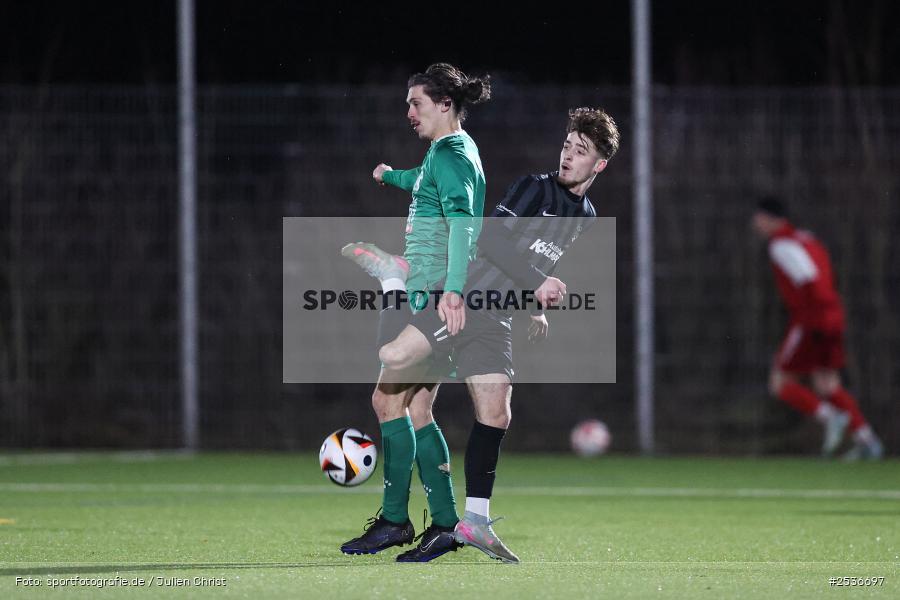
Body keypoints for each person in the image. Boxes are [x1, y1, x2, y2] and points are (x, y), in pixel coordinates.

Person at [346, 107, 620, 563]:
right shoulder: (535, 188)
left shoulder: (585, 215)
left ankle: (471, 522)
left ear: (600, 165)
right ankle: (395, 280)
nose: (569, 156)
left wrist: (533, 302)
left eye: (581, 151)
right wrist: (534, 283)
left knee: (496, 411)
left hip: (497, 316)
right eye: (567, 145)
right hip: (467, 301)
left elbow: (536, 255)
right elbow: (487, 240)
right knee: (394, 358)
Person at [339, 63, 491, 561]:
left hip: (431, 297)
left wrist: (453, 290)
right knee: (416, 408)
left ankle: (395, 520)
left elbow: (464, 223)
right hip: (432, 294)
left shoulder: (450, 155)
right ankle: (445, 524)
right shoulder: (444, 153)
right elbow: (425, 181)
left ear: (445, 104)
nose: (408, 111)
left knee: (387, 400)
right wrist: (391, 175)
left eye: (416, 103)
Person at [751, 198, 883, 459]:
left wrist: (815, 317)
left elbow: (809, 278)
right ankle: (868, 441)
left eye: (759, 218)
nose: (756, 224)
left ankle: (829, 417)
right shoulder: (806, 238)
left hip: (812, 318)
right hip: (833, 315)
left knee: (779, 382)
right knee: (827, 384)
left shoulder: (781, 245)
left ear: (770, 218)